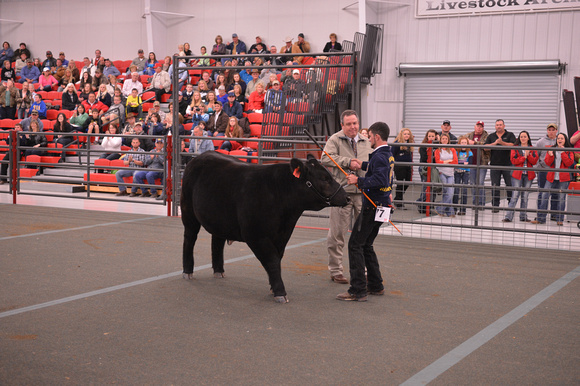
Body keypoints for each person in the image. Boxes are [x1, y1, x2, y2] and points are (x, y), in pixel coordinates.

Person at [337, 121, 393, 302]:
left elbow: (381, 179)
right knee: (367, 244)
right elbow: (378, 171)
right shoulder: (386, 154)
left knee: (355, 244)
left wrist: (357, 181)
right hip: (381, 205)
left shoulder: (380, 157)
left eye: (369, 136)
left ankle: (357, 290)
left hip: (372, 205)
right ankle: (375, 285)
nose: (368, 139)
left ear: (376, 137)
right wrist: (362, 165)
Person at [321, 110, 372, 285]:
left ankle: (362, 270)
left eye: (355, 123)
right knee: (337, 235)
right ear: (342, 125)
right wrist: (347, 162)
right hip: (342, 194)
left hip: (363, 194)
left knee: (363, 235)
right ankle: (336, 271)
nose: (353, 127)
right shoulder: (334, 140)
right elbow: (325, 158)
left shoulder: (366, 141)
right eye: (349, 124)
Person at [533, 133, 574, 226]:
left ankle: (560, 219)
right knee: (544, 196)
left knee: (561, 198)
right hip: (551, 178)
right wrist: (550, 155)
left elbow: (569, 163)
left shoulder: (568, 151)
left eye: (562, 138)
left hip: (563, 179)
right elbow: (547, 163)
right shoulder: (552, 149)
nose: (559, 140)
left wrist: (563, 152)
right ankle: (541, 218)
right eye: (558, 138)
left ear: (565, 140)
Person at [503, 131, 538, 223]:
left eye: (525, 136)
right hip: (517, 175)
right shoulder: (515, 148)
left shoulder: (532, 149)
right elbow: (513, 160)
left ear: (528, 138)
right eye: (521, 136)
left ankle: (523, 216)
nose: (523, 138)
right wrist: (524, 157)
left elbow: (534, 161)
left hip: (528, 175)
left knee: (525, 196)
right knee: (515, 195)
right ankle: (508, 216)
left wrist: (528, 155)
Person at [484, 119, 516, 212]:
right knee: (495, 186)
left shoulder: (510, 135)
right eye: (497, 125)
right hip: (494, 165)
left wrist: (502, 143)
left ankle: (511, 205)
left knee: (509, 185)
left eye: (500, 125)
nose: (499, 126)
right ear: (495, 126)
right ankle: (495, 206)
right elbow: (485, 148)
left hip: (508, 165)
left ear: (504, 126)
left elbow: (513, 145)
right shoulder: (491, 136)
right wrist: (495, 143)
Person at [535, 123, 559, 221]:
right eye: (549, 130)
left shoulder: (559, 141)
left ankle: (554, 214)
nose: (551, 132)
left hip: (555, 171)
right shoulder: (540, 142)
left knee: (555, 193)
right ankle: (541, 214)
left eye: (553, 130)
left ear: (556, 131)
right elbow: (536, 156)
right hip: (544, 171)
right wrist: (538, 169)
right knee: (542, 193)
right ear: (547, 131)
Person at [434, 133, 458, 217]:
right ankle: (450, 212)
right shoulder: (438, 150)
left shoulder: (452, 149)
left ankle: (439, 208)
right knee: (446, 192)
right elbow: (437, 162)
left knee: (450, 193)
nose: (444, 140)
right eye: (443, 138)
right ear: (440, 140)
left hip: (451, 173)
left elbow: (455, 161)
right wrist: (447, 161)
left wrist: (444, 161)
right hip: (442, 173)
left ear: (448, 140)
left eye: (446, 139)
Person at [416, 129, 439, 214]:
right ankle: (421, 204)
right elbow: (424, 159)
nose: (431, 138)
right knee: (426, 187)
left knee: (433, 187)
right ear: (427, 137)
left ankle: (428, 205)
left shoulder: (436, 146)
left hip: (433, 169)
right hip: (424, 168)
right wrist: (433, 157)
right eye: (429, 136)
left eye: (433, 136)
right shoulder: (423, 146)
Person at [391, 128, 414, 209]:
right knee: (400, 184)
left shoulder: (410, 144)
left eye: (408, 134)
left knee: (407, 182)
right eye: (405, 134)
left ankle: (397, 198)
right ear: (401, 135)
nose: (406, 135)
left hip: (408, 166)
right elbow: (392, 154)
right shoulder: (397, 143)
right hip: (399, 166)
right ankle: (399, 202)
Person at [452, 136, 473, 216]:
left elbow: (470, 163)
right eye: (462, 142)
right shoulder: (457, 152)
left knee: (464, 191)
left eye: (465, 142)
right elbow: (455, 162)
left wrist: (461, 164)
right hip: (457, 172)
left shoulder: (470, 153)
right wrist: (463, 164)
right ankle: (454, 209)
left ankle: (463, 210)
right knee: (456, 190)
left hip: (466, 173)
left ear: (467, 144)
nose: (463, 144)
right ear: (459, 144)